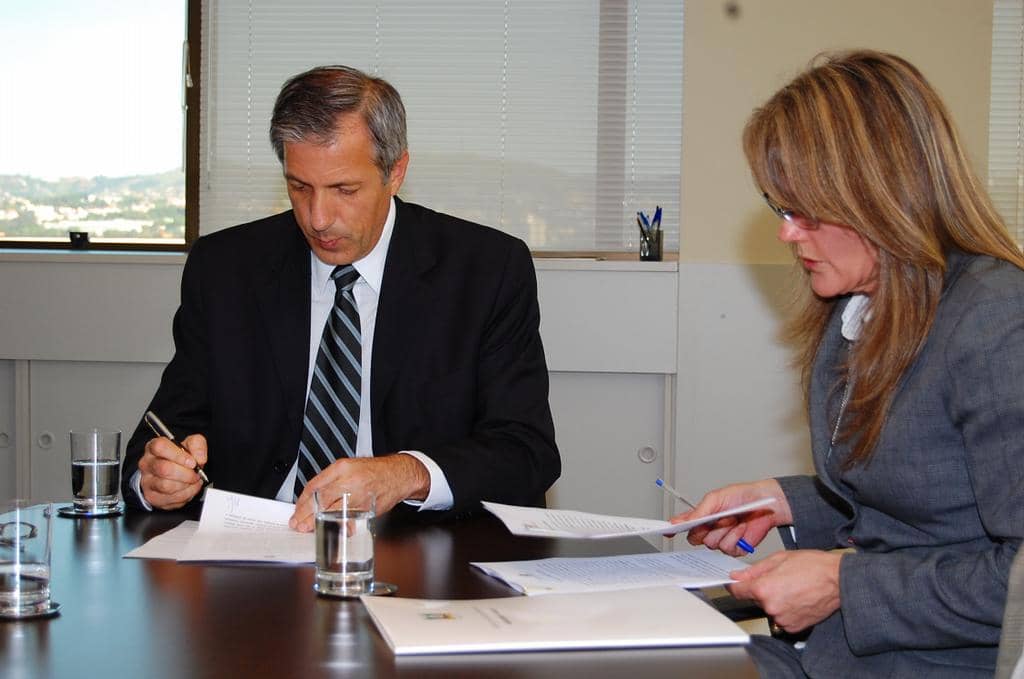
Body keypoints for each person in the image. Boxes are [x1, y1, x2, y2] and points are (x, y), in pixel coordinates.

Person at [676, 50, 1024, 677]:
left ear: (883, 196)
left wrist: (845, 583)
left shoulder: (998, 320)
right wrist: (788, 500)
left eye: (806, 210)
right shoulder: (857, 305)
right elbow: (925, 501)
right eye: (779, 207)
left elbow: (1017, 572)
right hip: (846, 653)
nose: (787, 234)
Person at [120, 65, 560, 529]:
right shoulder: (226, 269)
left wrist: (407, 473)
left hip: (415, 553)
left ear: (396, 172)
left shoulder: (484, 270)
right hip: (256, 550)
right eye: (299, 187)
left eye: (344, 190)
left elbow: (525, 451)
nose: (318, 217)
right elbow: (160, 434)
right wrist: (155, 477)